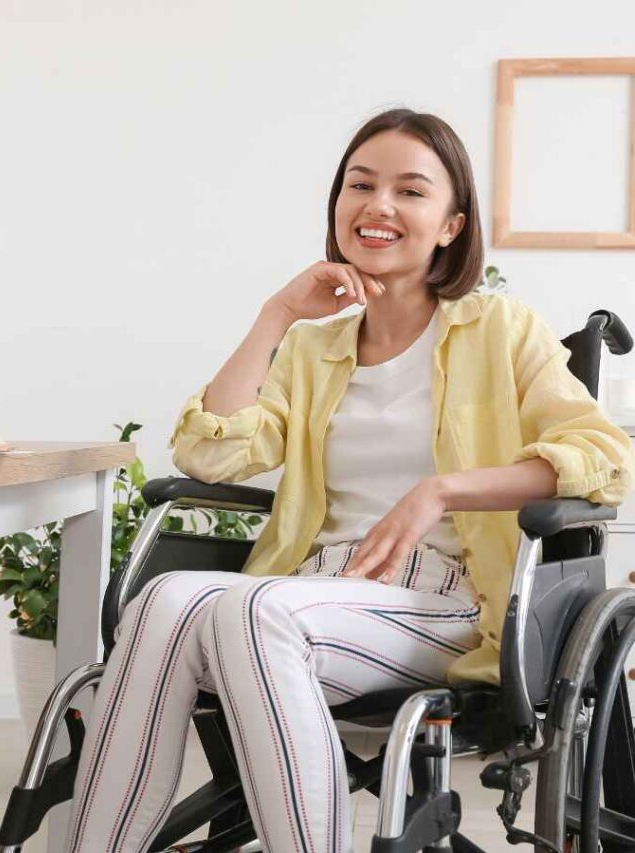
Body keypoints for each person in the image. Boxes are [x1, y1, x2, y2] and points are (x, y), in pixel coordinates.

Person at [65, 108, 635, 853]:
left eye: (410, 190)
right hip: (308, 587)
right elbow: (209, 455)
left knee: (253, 610)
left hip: (446, 596)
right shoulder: (312, 348)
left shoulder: (499, 328)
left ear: (451, 224)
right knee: (163, 598)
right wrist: (276, 315)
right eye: (360, 185)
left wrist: (441, 489)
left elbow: (602, 455)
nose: (379, 205)